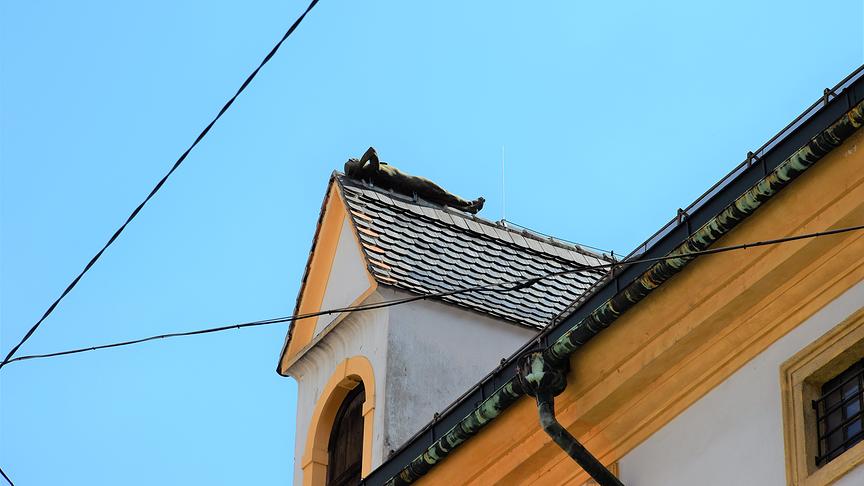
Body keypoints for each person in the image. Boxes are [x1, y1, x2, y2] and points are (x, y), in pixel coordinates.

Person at [344, 147, 485, 214]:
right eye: (352, 161)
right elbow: (372, 152)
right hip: (412, 183)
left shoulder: (369, 173)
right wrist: (359, 166)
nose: (353, 159)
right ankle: (468, 204)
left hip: (408, 186)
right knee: (441, 194)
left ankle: (466, 207)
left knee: (439, 198)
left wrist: (358, 168)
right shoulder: (369, 171)